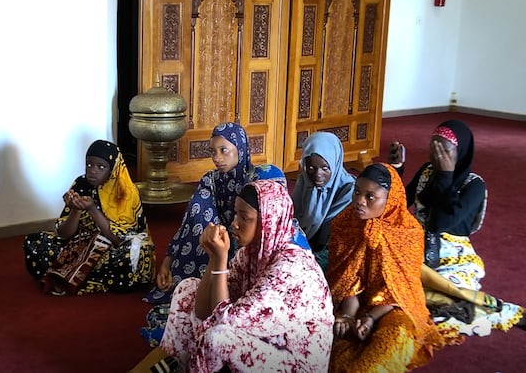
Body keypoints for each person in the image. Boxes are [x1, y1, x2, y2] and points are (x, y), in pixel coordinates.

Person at [131, 180, 333, 373]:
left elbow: (224, 322)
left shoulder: (290, 270)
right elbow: (205, 311)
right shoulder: (250, 253)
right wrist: (213, 258)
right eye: (236, 214)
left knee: (218, 338)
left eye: (245, 218)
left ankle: (192, 362)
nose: (234, 223)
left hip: (294, 358)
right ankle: (177, 359)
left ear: (268, 222)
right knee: (188, 287)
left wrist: (221, 259)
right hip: (258, 337)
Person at [391, 120, 525, 334]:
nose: (437, 155)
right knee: (391, 281)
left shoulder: (474, 185)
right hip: (414, 244)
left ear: (460, 151)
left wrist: (445, 177)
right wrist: (397, 170)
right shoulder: (427, 171)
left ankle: (503, 311)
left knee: (444, 295)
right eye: (433, 147)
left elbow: (440, 223)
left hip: (452, 254)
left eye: (444, 150)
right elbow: (398, 203)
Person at [327, 163, 453, 372]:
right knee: (328, 335)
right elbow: (346, 279)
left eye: (370, 197)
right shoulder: (344, 224)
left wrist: (371, 318)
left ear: (390, 199)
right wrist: (349, 316)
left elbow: (402, 290)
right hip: (352, 304)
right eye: (357, 192)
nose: (359, 201)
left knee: (397, 335)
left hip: (392, 307)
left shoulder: (408, 233)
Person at [23, 139, 155, 295]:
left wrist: (92, 209)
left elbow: (119, 240)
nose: (93, 170)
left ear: (113, 169)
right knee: (34, 242)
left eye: (101, 167)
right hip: (80, 245)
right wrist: (75, 209)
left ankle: (72, 275)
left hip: (113, 248)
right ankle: (85, 275)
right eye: (89, 164)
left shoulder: (125, 192)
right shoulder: (81, 183)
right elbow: (63, 234)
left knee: (136, 255)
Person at [291, 131, 355, 271]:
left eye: (325, 168)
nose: (317, 175)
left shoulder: (349, 191)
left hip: (331, 254)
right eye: (311, 168)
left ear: (335, 163)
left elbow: (333, 237)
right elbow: (292, 216)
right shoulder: (304, 182)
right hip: (304, 249)